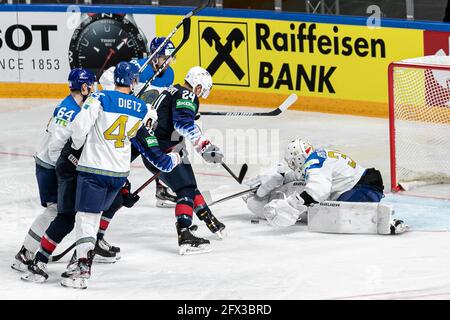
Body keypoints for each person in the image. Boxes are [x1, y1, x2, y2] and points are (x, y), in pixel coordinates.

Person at [22, 62, 181, 288]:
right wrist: (174, 158)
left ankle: (80, 267)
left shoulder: (100, 99)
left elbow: (78, 130)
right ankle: (78, 257)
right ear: (134, 81)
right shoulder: (142, 108)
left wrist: (79, 148)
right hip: (118, 173)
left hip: (93, 170)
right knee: (101, 210)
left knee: (81, 217)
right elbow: (150, 147)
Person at [12, 68, 96, 273]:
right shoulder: (72, 111)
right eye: (92, 86)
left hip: (48, 163)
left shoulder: (72, 104)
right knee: (54, 210)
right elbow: (55, 149)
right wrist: (70, 168)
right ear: (84, 87)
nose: (95, 89)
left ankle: (26, 252)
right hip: (50, 166)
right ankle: (26, 253)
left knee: (57, 210)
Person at [143, 66, 225, 255]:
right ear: (197, 87)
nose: (200, 96)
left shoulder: (172, 90)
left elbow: (174, 119)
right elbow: (182, 124)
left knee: (189, 185)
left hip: (156, 150)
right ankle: (184, 234)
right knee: (185, 189)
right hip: (165, 151)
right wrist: (204, 145)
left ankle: (210, 220)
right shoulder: (187, 95)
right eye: (201, 92)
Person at [245, 138, 407, 234]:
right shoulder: (314, 159)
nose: (293, 165)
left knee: (332, 211)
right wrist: (277, 178)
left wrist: (291, 205)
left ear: (299, 159)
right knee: (322, 208)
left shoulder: (314, 163)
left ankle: (390, 223)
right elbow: (296, 176)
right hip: (363, 184)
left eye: (293, 162)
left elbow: (318, 192)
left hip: (364, 189)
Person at [100, 37, 178, 207]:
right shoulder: (138, 67)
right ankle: (114, 185)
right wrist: (123, 99)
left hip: (147, 120)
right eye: (165, 58)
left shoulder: (169, 74)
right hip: (130, 120)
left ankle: (162, 189)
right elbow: (106, 79)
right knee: (123, 155)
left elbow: (163, 99)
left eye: (170, 58)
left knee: (163, 146)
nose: (168, 62)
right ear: (155, 57)